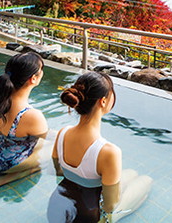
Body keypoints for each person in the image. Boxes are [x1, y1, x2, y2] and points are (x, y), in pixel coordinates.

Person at [47, 71, 151, 223]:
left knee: (130, 173)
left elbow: (58, 172)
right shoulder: (108, 152)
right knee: (146, 180)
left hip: (56, 208)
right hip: (86, 218)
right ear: (103, 101)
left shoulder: (62, 134)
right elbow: (110, 206)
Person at [0, 51, 49, 191]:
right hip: (8, 164)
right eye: (41, 69)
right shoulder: (32, 116)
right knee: (58, 152)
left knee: (36, 142)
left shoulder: (0, 102)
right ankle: (4, 179)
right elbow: (50, 139)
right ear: (33, 79)